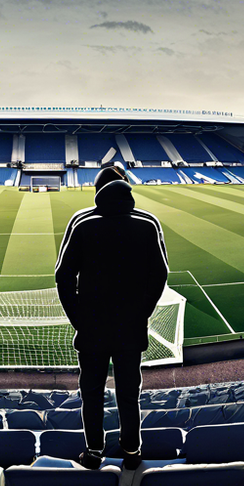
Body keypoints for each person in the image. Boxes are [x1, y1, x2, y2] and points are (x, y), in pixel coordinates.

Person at [54, 165, 169, 470]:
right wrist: (142, 311)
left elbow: (63, 275)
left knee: (91, 392)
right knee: (129, 392)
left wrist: (79, 318)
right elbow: (160, 274)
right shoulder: (147, 223)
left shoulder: (82, 222)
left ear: (97, 192)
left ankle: (94, 452)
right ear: (125, 188)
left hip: (91, 329)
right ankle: (132, 452)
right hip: (131, 328)